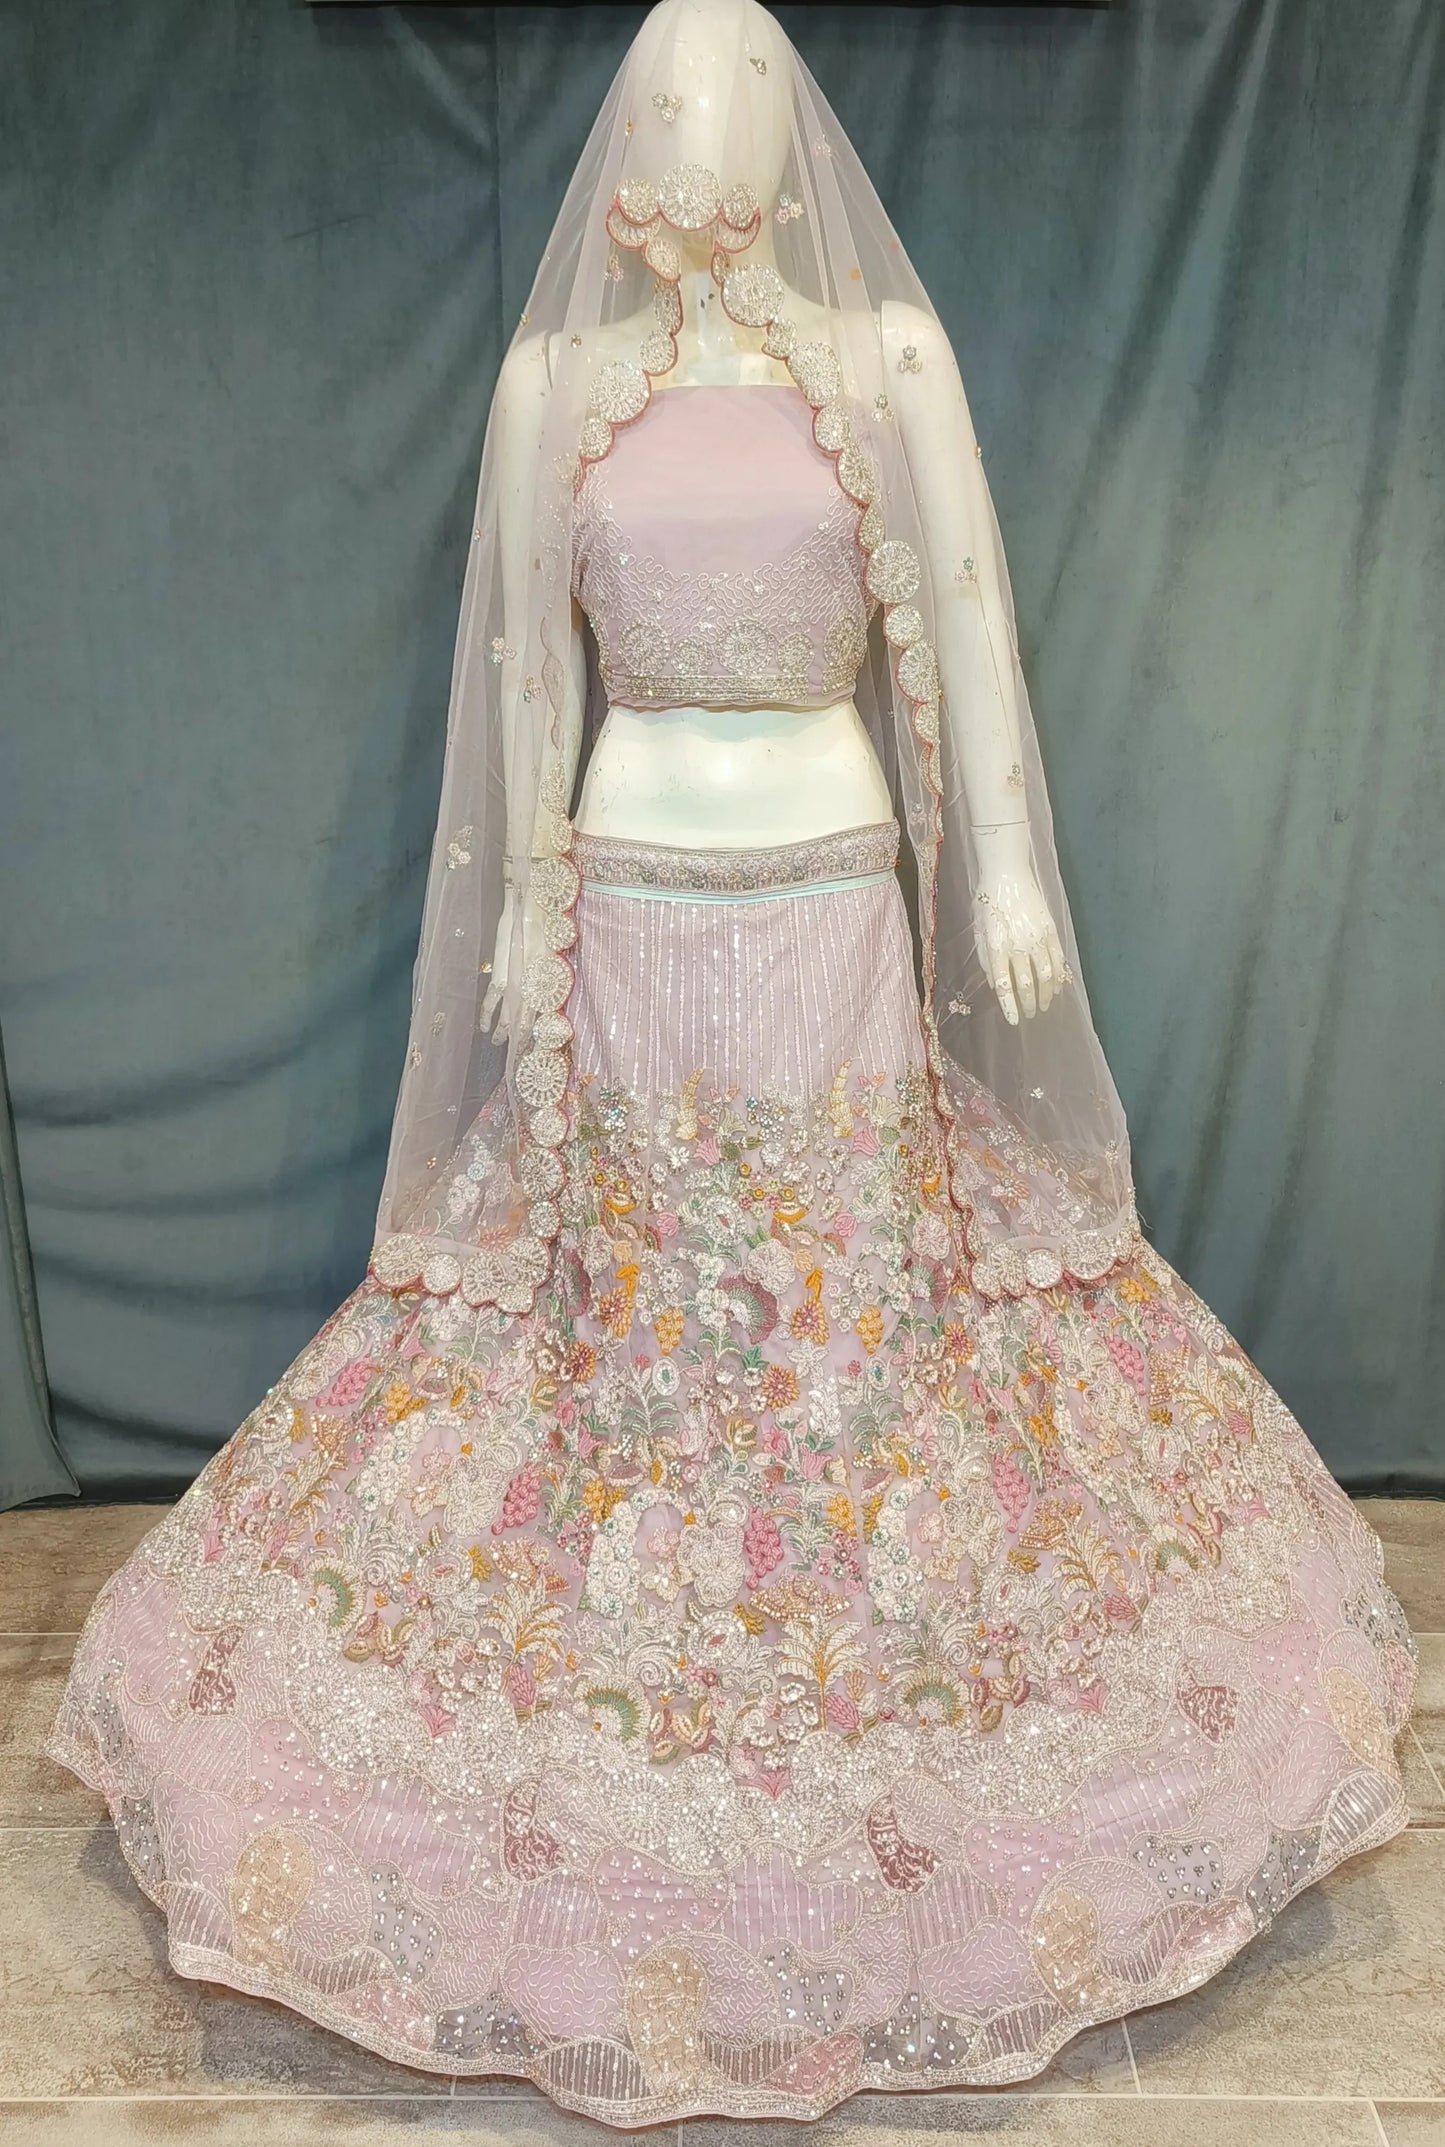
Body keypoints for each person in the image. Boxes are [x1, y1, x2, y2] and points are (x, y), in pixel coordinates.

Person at [49, 0, 1415, 2124]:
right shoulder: (555, 388)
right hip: (625, 905)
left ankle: (879, 1678)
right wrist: (524, 916)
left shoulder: (885, 366)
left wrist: (1006, 879)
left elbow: (968, 633)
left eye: (730, 95)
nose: (692, 131)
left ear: (788, 134)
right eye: (667, 97)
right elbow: (522, 672)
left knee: (845, 1301)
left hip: (831, 897)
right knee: (637, 1305)